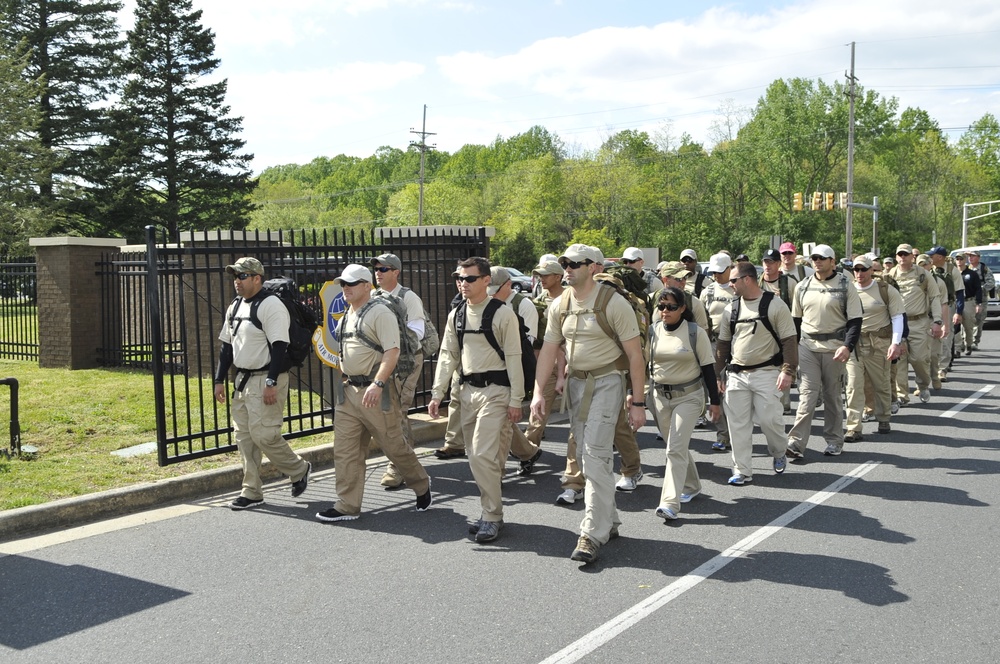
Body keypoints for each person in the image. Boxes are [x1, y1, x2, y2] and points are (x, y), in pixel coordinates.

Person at [531, 244, 646, 565]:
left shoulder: (614, 303)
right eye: (564, 263)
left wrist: (638, 402)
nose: (566, 268)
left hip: (608, 381)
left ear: (594, 267)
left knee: (595, 454)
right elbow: (550, 350)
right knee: (584, 454)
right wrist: (538, 393)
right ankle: (610, 520)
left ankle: (591, 533)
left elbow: (635, 356)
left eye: (574, 263)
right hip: (577, 385)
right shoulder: (560, 304)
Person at [314, 264, 432, 521]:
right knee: (346, 450)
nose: (345, 288)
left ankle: (421, 484)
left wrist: (377, 384)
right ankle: (347, 505)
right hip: (349, 392)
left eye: (351, 283)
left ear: (367, 286)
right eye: (343, 284)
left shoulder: (380, 312)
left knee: (394, 446)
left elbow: (392, 351)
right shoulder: (347, 314)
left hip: (377, 391)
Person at [428, 257, 523, 543]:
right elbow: (448, 355)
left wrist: (516, 399)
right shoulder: (456, 314)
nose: (463, 283)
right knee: (476, 456)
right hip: (467, 392)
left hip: (496, 391)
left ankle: (492, 516)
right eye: (459, 278)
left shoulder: (503, 314)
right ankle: (489, 512)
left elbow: (514, 358)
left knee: (482, 454)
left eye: (469, 278)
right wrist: (437, 393)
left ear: (486, 280)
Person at [213, 257, 311, 510]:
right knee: (244, 438)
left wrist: (271, 381)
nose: (237, 281)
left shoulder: (271, 305)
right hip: (242, 380)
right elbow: (227, 346)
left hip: (267, 378)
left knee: (264, 435)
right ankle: (251, 491)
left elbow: (280, 345)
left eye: (242, 276)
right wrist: (219, 379)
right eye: (235, 276)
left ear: (257, 278)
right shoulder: (235, 305)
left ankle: (298, 469)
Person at [716, 262, 798, 484]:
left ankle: (779, 451)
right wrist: (717, 375)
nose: (730, 284)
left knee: (770, 419)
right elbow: (723, 345)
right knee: (737, 425)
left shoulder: (776, 305)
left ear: (747, 279)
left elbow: (789, 341)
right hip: (736, 375)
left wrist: (788, 371)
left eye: (733, 280)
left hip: (767, 372)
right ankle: (741, 470)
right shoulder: (730, 309)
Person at [648, 287, 720, 519]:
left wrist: (715, 402)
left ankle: (669, 503)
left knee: (674, 449)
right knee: (675, 446)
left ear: (682, 308)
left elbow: (708, 369)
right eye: (661, 306)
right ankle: (692, 485)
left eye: (670, 307)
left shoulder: (694, 332)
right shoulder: (653, 331)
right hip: (660, 397)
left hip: (689, 397)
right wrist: (634, 394)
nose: (665, 311)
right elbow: (643, 364)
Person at [785, 244, 863, 458]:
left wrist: (847, 346)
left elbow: (855, 321)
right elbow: (795, 322)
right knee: (807, 396)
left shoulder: (846, 286)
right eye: (814, 258)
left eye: (822, 258)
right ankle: (796, 443)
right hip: (808, 347)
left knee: (832, 395)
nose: (817, 261)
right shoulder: (802, 286)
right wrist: (792, 352)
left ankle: (834, 440)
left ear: (832, 261)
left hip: (835, 349)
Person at [370, 252, 430, 489]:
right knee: (388, 412)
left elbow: (417, 332)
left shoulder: (408, 297)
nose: (378, 273)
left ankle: (398, 467)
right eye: (376, 269)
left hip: (406, 362)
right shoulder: (373, 296)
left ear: (396, 272)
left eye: (383, 269)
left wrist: (391, 340)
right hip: (383, 361)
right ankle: (405, 460)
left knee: (398, 410)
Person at [489, 265, 543, 475]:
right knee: (500, 419)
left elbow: (525, 344)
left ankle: (497, 473)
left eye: (495, 289)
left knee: (500, 421)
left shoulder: (523, 305)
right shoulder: (484, 303)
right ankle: (528, 452)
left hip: (513, 369)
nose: (491, 293)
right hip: (490, 371)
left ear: (508, 285)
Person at [844, 255, 905, 440]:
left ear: (872, 270)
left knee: (881, 383)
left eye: (863, 269)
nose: (859, 273)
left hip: (879, 343)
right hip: (854, 345)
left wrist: (895, 343)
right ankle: (854, 427)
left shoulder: (885, 290)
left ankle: (884, 417)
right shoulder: (847, 289)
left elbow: (897, 317)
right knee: (853, 386)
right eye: (856, 269)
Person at [888, 244, 943, 407]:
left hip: (918, 322)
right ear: (896, 257)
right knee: (899, 361)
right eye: (900, 254)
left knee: (919, 359)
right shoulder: (890, 276)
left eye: (906, 254)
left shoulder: (923, 275)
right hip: (897, 323)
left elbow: (934, 297)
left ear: (912, 256)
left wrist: (937, 321)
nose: (903, 257)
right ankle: (902, 395)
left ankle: (923, 385)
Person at [700, 252, 737, 451]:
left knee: (736, 391)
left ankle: (738, 433)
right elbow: (701, 319)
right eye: (714, 272)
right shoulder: (707, 292)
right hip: (714, 344)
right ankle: (723, 435)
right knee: (717, 389)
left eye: (720, 272)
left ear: (730, 269)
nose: (716, 275)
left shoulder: (738, 289)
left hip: (737, 344)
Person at [760, 248, 797, 413]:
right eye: (765, 262)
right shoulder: (756, 282)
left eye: (772, 262)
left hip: (783, 334)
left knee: (783, 368)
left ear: (779, 264)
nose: (768, 266)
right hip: (761, 334)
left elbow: (797, 311)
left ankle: (782, 405)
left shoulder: (789, 283)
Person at [955, 253, 984, 355]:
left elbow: (978, 289)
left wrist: (978, 303)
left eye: (961, 259)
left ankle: (968, 344)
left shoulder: (972, 274)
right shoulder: (953, 273)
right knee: (955, 326)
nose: (959, 261)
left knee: (968, 326)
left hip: (968, 301)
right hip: (955, 302)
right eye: (957, 259)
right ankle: (957, 348)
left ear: (965, 260)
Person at [968, 250, 995, 348]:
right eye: (969, 256)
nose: (970, 258)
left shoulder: (984, 269)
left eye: (973, 256)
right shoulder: (966, 268)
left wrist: (980, 289)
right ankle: (965, 340)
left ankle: (974, 341)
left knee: (978, 320)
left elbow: (991, 283)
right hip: (968, 298)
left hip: (981, 298)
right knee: (967, 319)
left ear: (978, 257)